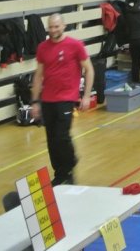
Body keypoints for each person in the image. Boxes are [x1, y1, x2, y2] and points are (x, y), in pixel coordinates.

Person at [30, 13, 95, 186]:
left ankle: (69, 168)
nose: (53, 30)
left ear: (64, 26)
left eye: (56, 26)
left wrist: (86, 96)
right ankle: (60, 174)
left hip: (66, 98)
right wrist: (35, 102)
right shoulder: (43, 47)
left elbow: (89, 69)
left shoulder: (75, 45)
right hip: (47, 99)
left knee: (61, 136)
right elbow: (38, 75)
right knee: (52, 140)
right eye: (50, 27)